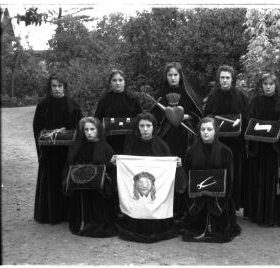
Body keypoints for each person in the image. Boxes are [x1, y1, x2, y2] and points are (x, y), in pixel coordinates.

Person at [114, 112, 183, 243]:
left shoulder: (162, 146)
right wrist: (117, 162)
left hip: (155, 193)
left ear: (154, 127)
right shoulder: (131, 145)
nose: (145, 129)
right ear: (137, 127)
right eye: (142, 126)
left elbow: (167, 172)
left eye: (148, 125)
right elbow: (126, 169)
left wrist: (176, 164)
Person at [244, 73, 280, 227]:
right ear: (261, 85)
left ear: (275, 85)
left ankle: (277, 215)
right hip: (259, 150)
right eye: (265, 84)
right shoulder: (255, 102)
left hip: (276, 151)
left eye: (271, 84)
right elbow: (248, 121)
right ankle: (258, 214)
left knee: (276, 184)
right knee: (258, 181)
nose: (268, 86)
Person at [151, 62, 203, 220]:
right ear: (166, 77)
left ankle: (185, 209)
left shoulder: (188, 93)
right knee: (168, 172)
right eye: (170, 75)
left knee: (184, 169)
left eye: (175, 75)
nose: (173, 78)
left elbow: (199, 113)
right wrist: (166, 115)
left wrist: (184, 116)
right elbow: (153, 117)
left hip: (185, 138)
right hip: (166, 139)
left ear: (180, 76)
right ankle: (168, 209)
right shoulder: (160, 94)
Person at [181, 117, 241, 243]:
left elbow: (229, 179)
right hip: (197, 201)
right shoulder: (191, 152)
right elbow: (186, 178)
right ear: (199, 131)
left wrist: (221, 203)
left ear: (215, 131)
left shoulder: (226, 152)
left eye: (209, 129)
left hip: (219, 201)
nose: (206, 132)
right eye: (203, 129)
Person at [33, 73, 83, 224]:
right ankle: (50, 215)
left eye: (60, 86)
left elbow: (78, 127)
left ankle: (68, 215)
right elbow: (37, 128)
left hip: (66, 153)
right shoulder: (43, 105)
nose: (57, 89)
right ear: (50, 87)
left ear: (65, 87)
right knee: (50, 181)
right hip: (49, 154)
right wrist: (44, 139)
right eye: (54, 86)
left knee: (66, 179)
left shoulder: (73, 105)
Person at [204, 65, 249, 210]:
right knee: (218, 172)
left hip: (236, 144)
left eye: (227, 78)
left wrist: (240, 124)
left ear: (232, 79)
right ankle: (217, 203)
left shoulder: (241, 96)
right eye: (222, 78)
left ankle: (233, 205)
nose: (224, 81)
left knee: (234, 173)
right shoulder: (212, 96)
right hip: (217, 144)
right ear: (219, 79)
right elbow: (207, 117)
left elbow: (247, 118)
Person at [64, 117, 117, 237]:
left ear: (98, 130)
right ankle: (84, 222)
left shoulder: (106, 148)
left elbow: (111, 170)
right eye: (86, 129)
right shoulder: (78, 147)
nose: (89, 132)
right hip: (81, 190)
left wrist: (112, 164)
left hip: (99, 191)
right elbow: (70, 165)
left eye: (92, 129)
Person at [94, 69, 142, 154]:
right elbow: (97, 120)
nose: (118, 83)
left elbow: (140, 118)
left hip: (130, 140)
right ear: (110, 82)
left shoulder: (133, 98)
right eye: (114, 80)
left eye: (120, 80)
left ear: (125, 81)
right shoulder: (104, 100)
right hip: (110, 141)